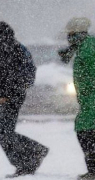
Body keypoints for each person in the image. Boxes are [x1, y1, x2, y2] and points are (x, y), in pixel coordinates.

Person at [0, 7, 49, 178]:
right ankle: (29, 159)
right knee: (2, 131)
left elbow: (8, 70)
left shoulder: (0, 41)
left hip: (11, 94)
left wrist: (7, 93)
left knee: (1, 131)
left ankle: (32, 155)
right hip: (10, 93)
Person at [58, 17, 95, 180]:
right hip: (88, 100)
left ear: (77, 33)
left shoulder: (87, 49)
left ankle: (93, 171)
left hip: (91, 100)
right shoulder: (84, 46)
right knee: (86, 131)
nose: (68, 37)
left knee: (85, 132)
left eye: (70, 33)